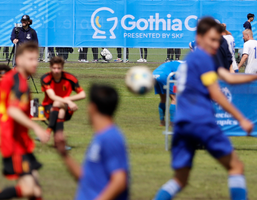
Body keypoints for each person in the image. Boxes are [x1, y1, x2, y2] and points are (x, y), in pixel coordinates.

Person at [153, 17, 257, 200]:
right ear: (199, 37)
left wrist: (253, 77)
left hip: (183, 125)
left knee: (180, 179)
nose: (216, 44)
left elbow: (228, 77)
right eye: (212, 39)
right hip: (200, 121)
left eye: (218, 40)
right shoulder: (202, 58)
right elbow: (216, 93)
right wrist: (241, 119)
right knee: (236, 167)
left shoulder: (194, 59)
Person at [0, 42, 50, 200]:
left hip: (20, 141)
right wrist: (36, 127)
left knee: (36, 191)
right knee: (29, 190)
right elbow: (12, 110)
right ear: (18, 60)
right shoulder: (19, 83)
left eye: (36, 58)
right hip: (14, 143)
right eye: (30, 59)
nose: (35, 63)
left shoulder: (11, 78)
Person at [55, 84, 129, 200]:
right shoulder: (100, 137)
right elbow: (87, 179)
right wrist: (64, 154)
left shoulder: (111, 137)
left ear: (92, 107)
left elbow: (120, 181)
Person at [40, 56, 86, 149]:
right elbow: (52, 96)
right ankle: (59, 143)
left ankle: (48, 131)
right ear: (50, 67)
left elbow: (83, 94)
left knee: (57, 104)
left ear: (62, 68)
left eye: (59, 68)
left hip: (66, 108)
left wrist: (68, 100)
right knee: (59, 109)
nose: (56, 70)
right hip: (48, 107)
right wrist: (69, 101)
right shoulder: (46, 78)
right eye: (54, 68)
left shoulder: (70, 78)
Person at [152, 61, 182, 126]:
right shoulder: (185, 66)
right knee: (174, 99)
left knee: (163, 99)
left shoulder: (177, 62)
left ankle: (162, 122)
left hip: (154, 74)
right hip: (164, 75)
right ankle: (172, 122)